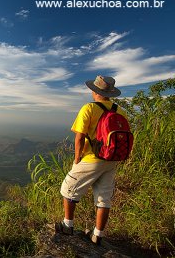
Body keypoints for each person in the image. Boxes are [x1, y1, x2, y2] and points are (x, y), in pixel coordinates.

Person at [55, 75, 127, 245]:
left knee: (68, 189)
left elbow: (79, 137)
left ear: (94, 91)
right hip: (112, 159)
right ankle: (98, 235)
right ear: (110, 93)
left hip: (92, 159)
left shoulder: (89, 108)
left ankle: (67, 225)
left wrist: (77, 159)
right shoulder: (120, 111)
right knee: (104, 198)